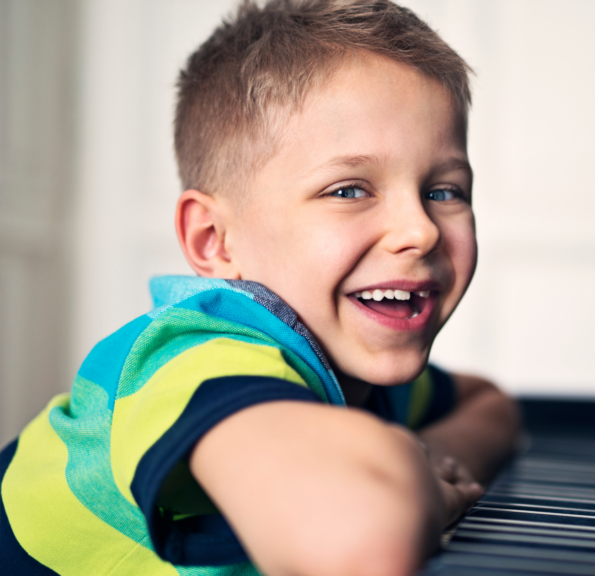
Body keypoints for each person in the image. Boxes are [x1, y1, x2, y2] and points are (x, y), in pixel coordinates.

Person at [0, 1, 520, 574]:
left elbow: (489, 403)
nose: (420, 231)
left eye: (444, 191)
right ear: (214, 240)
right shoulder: (201, 363)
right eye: (348, 190)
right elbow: (358, 536)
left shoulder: (359, 368)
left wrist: (433, 454)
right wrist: (404, 475)